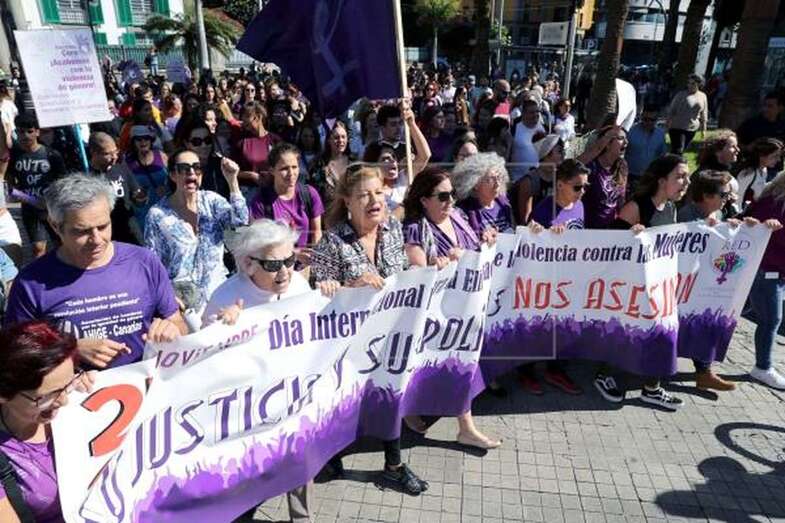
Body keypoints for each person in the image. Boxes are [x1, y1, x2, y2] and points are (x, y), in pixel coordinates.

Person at [202, 220, 339, 522]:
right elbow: (202, 363)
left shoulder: (300, 287)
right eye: (273, 264)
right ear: (249, 264)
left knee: (301, 468)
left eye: (290, 260)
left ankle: (301, 519)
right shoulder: (225, 297)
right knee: (249, 480)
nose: (285, 271)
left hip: (293, 400)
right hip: (249, 412)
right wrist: (220, 330)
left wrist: (332, 296)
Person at [311, 166, 428, 495]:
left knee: (390, 394)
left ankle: (393, 466)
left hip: (389, 339)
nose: (374, 200)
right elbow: (316, 299)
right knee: (345, 403)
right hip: (347, 348)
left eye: (378, 192)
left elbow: (404, 277)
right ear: (348, 201)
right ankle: (332, 457)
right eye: (364, 194)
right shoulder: (331, 243)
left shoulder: (392, 230)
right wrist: (350, 285)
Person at [4, 175, 187, 369]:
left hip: (147, 383)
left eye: (103, 226)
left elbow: (177, 323)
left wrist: (172, 329)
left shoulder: (144, 261)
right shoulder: (31, 282)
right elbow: (16, 353)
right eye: (82, 231)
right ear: (55, 226)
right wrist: (69, 350)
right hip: (76, 394)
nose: (97, 239)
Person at [399, 167, 502, 448]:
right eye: (442, 196)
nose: (450, 202)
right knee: (441, 363)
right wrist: (442, 262)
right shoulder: (415, 228)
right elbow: (418, 268)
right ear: (424, 200)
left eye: (452, 195)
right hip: (436, 314)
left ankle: (459, 425)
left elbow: (477, 246)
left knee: (460, 361)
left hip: (463, 309)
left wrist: (487, 238)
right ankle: (450, 422)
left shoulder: (458, 217)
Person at [610, 154, 691, 409]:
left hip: (658, 286)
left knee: (662, 333)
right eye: (679, 176)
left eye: (687, 177)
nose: (685, 182)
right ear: (661, 180)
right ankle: (606, 375)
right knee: (627, 334)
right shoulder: (636, 207)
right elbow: (610, 248)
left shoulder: (671, 208)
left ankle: (652, 388)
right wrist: (631, 238)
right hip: (629, 288)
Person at [0, 320, 95, 522]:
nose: (64, 400)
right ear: (4, 395)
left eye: (68, 383)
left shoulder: (84, 405)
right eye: (47, 396)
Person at [144, 149, 247, 314]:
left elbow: (240, 220)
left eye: (197, 167)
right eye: (184, 168)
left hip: (219, 296)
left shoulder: (212, 201)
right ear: (172, 175)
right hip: (183, 303)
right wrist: (166, 298)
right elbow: (154, 263)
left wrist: (232, 181)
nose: (191, 172)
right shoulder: (157, 215)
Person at [744, 172, 785, 389]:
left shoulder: (773, 198)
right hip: (767, 272)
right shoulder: (775, 203)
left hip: (770, 271)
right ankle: (763, 367)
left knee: (763, 317)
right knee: (770, 320)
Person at [7, 113, 66, 258]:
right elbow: (9, 184)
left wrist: (49, 203)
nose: (25, 136)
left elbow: (63, 183)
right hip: (30, 209)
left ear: (37, 132)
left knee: (62, 244)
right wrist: (24, 197)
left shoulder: (51, 155)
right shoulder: (14, 156)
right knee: (38, 248)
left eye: (30, 131)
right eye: (20, 131)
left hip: (51, 208)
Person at [249, 143, 324, 255]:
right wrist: (295, 253)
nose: (291, 173)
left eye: (294, 167)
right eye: (284, 168)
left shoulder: (309, 194)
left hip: (307, 266)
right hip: (276, 266)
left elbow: (316, 231)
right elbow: (261, 242)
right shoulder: (261, 202)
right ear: (272, 170)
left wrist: (315, 257)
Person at [87, 132, 140, 245]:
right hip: (107, 230)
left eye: (116, 152)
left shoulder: (121, 167)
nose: (114, 157)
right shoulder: (88, 176)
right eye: (108, 154)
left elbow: (135, 192)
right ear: (94, 153)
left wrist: (140, 197)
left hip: (129, 226)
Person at [578, 125, 629, 230]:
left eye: (626, 138)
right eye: (620, 138)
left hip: (610, 231)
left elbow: (621, 201)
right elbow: (573, 165)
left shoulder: (622, 165)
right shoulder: (590, 167)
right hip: (588, 230)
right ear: (607, 144)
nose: (626, 142)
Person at [511, 133, 563, 225]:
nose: (563, 154)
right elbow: (525, 220)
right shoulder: (529, 182)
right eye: (559, 151)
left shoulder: (560, 177)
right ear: (547, 154)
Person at [232, 101, 281, 196]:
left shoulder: (275, 140)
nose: (243, 119)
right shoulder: (241, 141)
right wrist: (251, 175)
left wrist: (272, 176)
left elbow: (284, 166)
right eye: (242, 116)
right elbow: (232, 170)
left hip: (273, 192)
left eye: (247, 116)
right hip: (248, 194)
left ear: (258, 117)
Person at [124, 125, 169, 227]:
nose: (143, 142)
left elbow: (173, 178)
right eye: (139, 139)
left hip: (165, 211)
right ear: (133, 142)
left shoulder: (161, 156)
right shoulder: (127, 163)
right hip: (143, 215)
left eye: (146, 138)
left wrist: (166, 188)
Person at [307, 121, 352, 206]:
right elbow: (312, 193)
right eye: (336, 137)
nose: (340, 140)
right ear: (328, 140)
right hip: (325, 214)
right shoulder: (318, 164)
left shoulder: (354, 163)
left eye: (343, 137)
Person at [736, 137, 783, 210]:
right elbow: (737, 199)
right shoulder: (748, 173)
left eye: (779, 156)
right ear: (762, 155)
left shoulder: (764, 170)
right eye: (775, 156)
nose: (778, 159)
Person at [666, 74, 708, 155]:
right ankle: (673, 165)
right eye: (689, 83)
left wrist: (703, 131)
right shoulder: (680, 95)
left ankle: (671, 164)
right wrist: (667, 125)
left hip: (692, 129)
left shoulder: (703, 96)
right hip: (677, 127)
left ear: (699, 84)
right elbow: (671, 111)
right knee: (679, 150)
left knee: (680, 150)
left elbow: (704, 114)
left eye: (693, 83)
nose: (690, 85)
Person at [625, 107, 668, 186]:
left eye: (652, 120)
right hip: (630, 174)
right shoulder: (630, 131)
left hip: (649, 175)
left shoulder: (660, 134)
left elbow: (662, 154)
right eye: (645, 119)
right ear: (641, 117)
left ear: (657, 120)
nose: (649, 122)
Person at [509, 99, 546, 180]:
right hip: (517, 178)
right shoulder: (514, 129)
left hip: (537, 178)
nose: (536, 115)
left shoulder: (543, 128)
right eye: (532, 112)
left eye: (537, 112)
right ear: (523, 113)